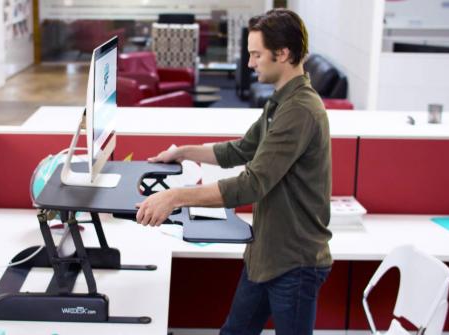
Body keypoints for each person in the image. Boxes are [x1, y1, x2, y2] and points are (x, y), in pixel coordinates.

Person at [135, 8, 332, 335]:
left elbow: (252, 185)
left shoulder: (300, 110)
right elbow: (241, 149)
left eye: (256, 54)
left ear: (282, 54)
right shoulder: (281, 102)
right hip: (264, 253)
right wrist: (182, 152)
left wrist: (175, 197)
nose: (250, 63)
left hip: (294, 263)